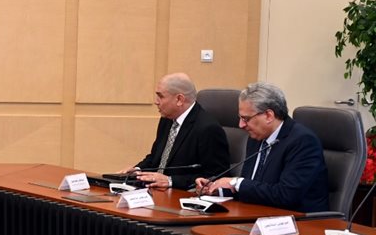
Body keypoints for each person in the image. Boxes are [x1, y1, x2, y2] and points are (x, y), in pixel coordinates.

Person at [195, 81, 329, 212]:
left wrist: (236, 183)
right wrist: (217, 189)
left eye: (246, 119)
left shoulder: (303, 141)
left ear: (269, 116)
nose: (241, 125)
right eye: (240, 118)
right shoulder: (256, 138)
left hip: (299, 220)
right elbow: (253, 189)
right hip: (257, 214)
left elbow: (286, 195)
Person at [123, 73, 230, 190]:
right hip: (155, 190)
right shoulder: (167, 119)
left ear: (179, 99)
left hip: (182, 193)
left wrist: (170, 181)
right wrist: (137, 170)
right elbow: (155, 157)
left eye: (161, 96)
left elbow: (216, 176)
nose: (156, 102)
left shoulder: (208, 128)